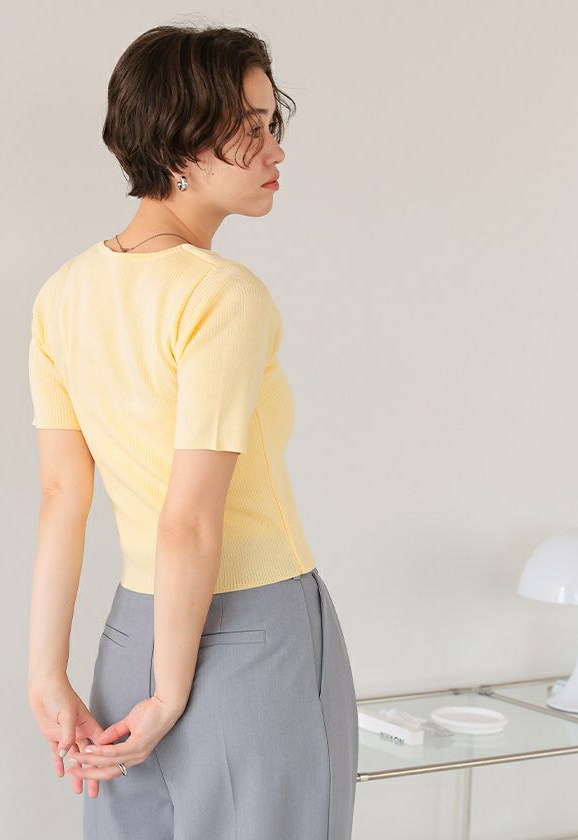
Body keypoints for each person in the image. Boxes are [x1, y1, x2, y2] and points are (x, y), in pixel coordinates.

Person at [26, 22, 359, 840]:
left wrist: (46, 674)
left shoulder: (63, 294)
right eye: (249, 129)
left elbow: (62, 496)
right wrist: (172, 695)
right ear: (180, 139)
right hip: (253, 638)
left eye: (271, 123)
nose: (275, 150)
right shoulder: (221, 295)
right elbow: (192, 519)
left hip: (130, 634)